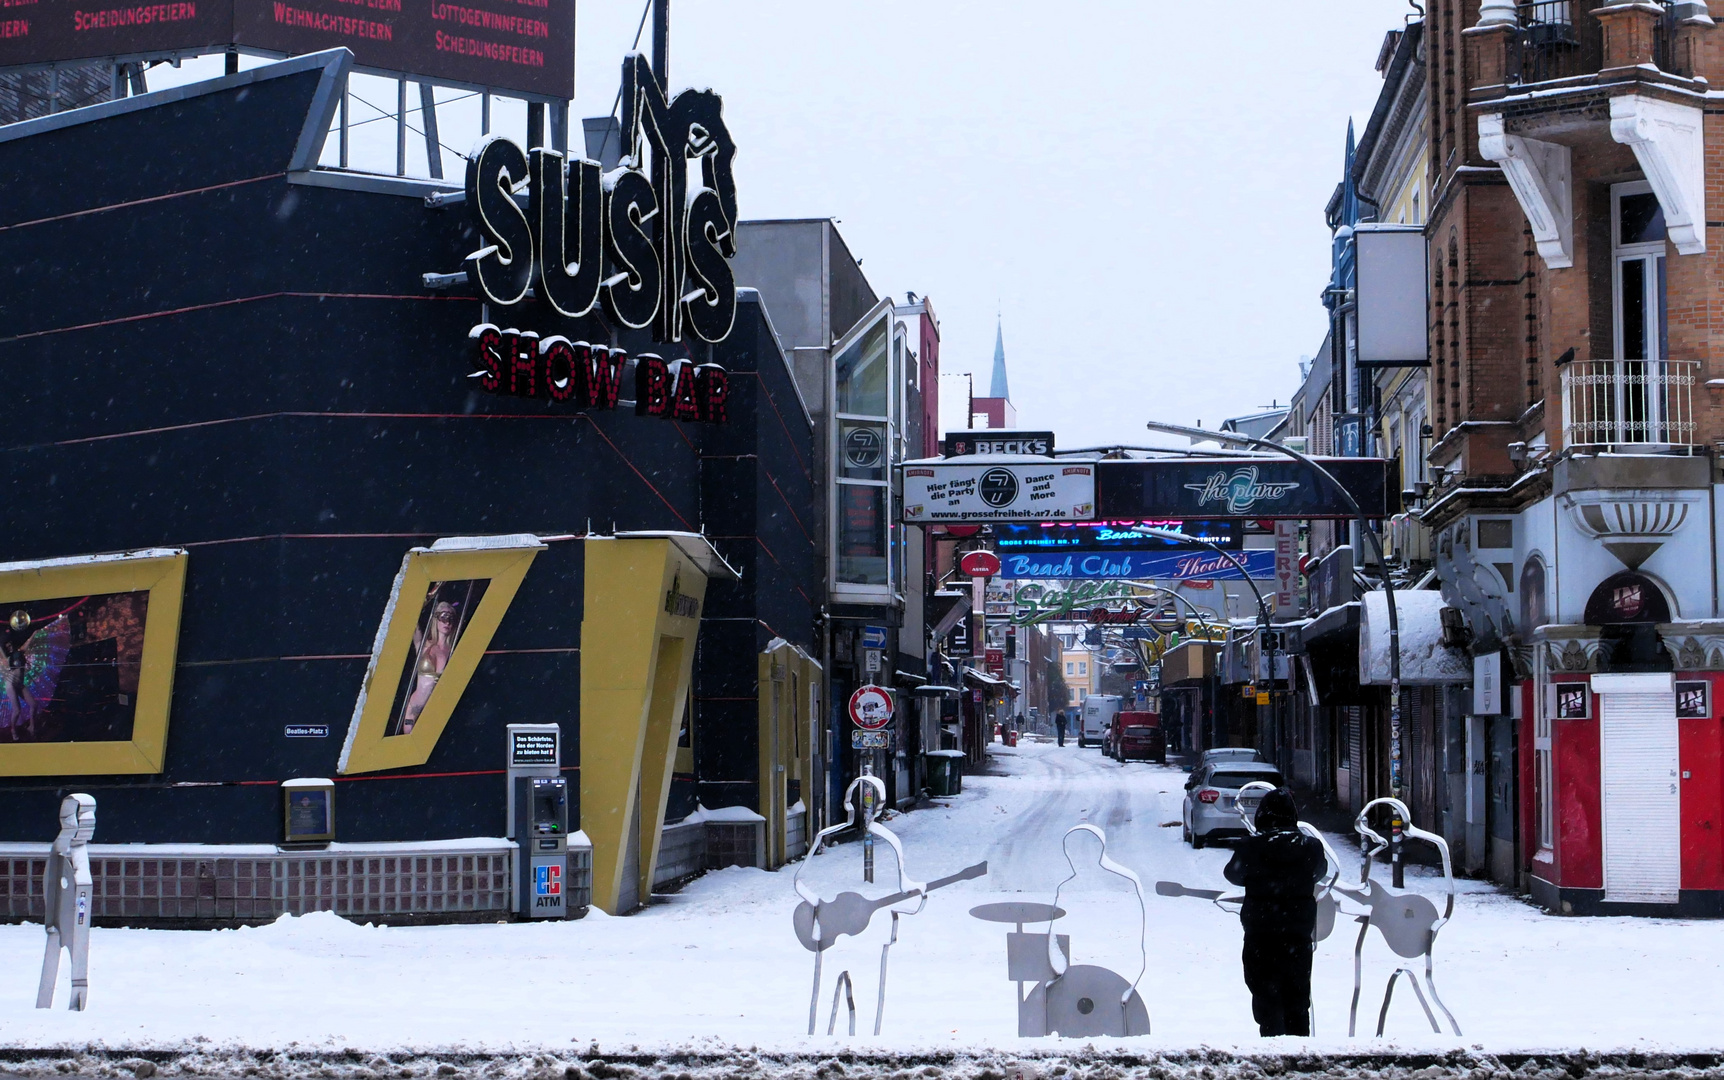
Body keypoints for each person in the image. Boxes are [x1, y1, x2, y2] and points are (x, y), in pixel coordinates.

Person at [1222, 787, 1327, 1037]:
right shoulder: (1309, 847)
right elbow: (1319, 872)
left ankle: (1272, 1051)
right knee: (1297, 999)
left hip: (1261, 935)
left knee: (1266, 997)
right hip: (1297, 937)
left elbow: (1232, 874)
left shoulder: (1251, 846)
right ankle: (1299, 1054)